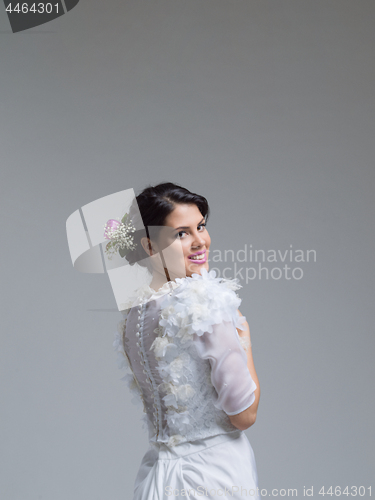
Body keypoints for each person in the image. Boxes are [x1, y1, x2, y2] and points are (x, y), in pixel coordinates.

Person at [112, 182, 261, 499]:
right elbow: (244, 415)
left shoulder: (135, 316)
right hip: (214, 476)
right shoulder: (206, 303)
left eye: (201, 227)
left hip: (158, 477)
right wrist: (245, 343)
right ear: (150, 247)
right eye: (181, 233)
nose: (200, 242)